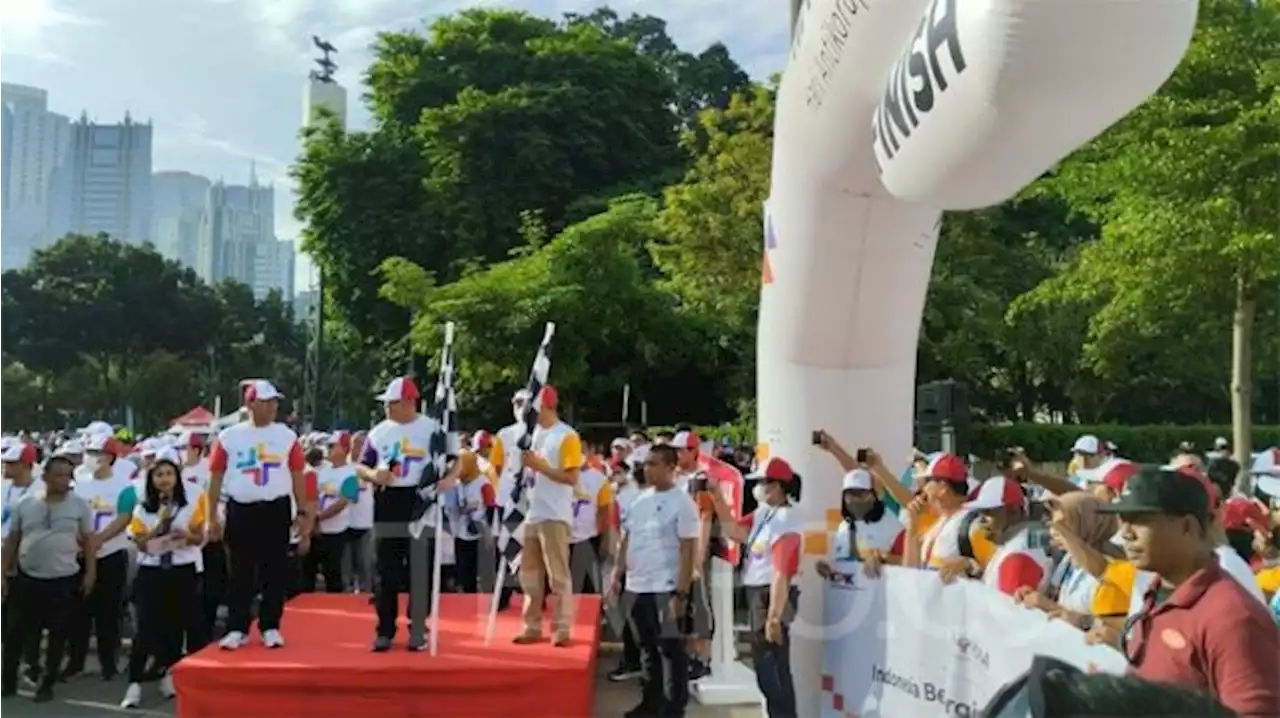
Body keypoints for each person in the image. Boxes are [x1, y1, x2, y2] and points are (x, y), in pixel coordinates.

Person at [1097, 466, 1280, 716]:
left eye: (1140, 520)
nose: (1126, 533)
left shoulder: (1231, 616)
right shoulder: (1158, 595)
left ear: (1187, 527)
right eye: (1123, 520)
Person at [206, 379, 311, 650]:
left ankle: (270, 626)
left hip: (275, 509)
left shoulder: (286, 436)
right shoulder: (229, 437)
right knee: (240, 571)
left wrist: (302, 510)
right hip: (241, 508)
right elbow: (215, 477)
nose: (272, 407)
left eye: (275, 401)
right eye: (266, 401)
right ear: (250, 403)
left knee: (275, 571)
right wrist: (211, 516)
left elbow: (298, 474)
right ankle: (237, 627)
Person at [607, 443, 698, 718]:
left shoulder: (682, 502)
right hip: (637, 586)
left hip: (666, 588)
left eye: (655, 464)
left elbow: (688, 548)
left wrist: (680, 594)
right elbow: (627, 539)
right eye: (646, 463)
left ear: (672, 468)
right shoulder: (639, 500)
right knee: (647, 649)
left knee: (670, 651)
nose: (648, 469)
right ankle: (650, 703)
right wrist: (617, 573)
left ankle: (673, 708)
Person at [708, 457, 802, 718]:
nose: (759, 488)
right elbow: (734, 531)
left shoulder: (786, 520)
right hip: (759, 594)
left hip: (772, 596)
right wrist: (716, 497)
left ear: (781, 486)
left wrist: (774, 616)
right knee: (767, 667)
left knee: (772, 668)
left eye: (765, 483)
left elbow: (782, 570)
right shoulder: (764, 513)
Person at [356, 376, 442, 652]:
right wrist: (373, 474)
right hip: (388, 499)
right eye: (386, 404)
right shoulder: (379, 432)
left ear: (409, 402)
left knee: (420, 567)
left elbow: (454, 459)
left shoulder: (433, 428)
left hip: (419, 500)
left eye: (392, 403)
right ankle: (384, 629)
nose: (387, 408)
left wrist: (447, 479)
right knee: (385, 569)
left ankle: (418, 627)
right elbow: (360, 466)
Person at [0, 456, 95, 702]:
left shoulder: (80, 506)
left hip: (63, 579)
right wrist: (2, 572)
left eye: (68, 475)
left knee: (57, 634)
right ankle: (7, 682)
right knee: (15, 632)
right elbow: (12, 540)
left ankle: (47, 682)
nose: (64, 480)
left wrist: (91, 573)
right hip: (27, 578)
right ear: (45, 477)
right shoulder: (26, 503)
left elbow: (88, 541)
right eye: (59, 475)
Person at [120, 450, 207, 708]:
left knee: (176, 624)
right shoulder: (142, 509)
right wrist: (161, 524)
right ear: (151, 479)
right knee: (146, 627)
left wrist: (185, 535)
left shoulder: (193, 501)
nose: (165, 479)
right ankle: (134, 684)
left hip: (183, 568)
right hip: (152, 571)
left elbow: (200, 538)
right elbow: (143, 544)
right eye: (159, 475)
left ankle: (169, 674)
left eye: (170, 474)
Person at [64, 433, 137, 680]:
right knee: (78, 612)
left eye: (98, 454)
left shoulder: (124, 485)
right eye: (90, 453)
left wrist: (100, 539)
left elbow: (124, 516)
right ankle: (75, 661)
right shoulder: (78, 483)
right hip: (80, 555)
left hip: (111, 554)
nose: (92, 458)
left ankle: (109, 663)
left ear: (110, 457)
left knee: (109, 612)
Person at [513, 386, 582, 647]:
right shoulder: (532, 434)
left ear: (546, 406)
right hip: (532, 511)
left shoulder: (566, 436)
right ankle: (531, 625)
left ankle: (562, 628)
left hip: (554, 513)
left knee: (558, 574)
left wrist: (541, 467)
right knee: (529, 573)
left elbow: (571, 477)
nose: (528, 412)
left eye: (533, 407)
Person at [311, 433, 358, 593]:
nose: (328, 449)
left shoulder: (351, 474)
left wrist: (320, 517)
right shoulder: (322, 471)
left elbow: (344, 502)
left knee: (333, 574)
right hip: (317, 529)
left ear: (344, 449)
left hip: (336, 531)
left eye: (332, 446)